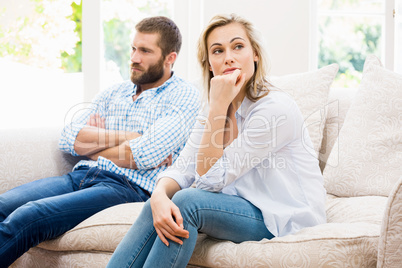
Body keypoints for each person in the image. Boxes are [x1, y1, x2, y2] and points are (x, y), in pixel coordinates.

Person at [106, 14, 326, 268]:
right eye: (218, 51)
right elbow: (183, 167)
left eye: (238, 46)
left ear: (255, 54)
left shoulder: (275, 110)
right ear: (210, 64)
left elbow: (209, 180)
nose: (229, 57)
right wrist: (157, 195)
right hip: (241, 205)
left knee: (188, 202)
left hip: (283, 216)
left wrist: (219, 105)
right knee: (159, 206)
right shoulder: (212, 109)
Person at [0, 16, 200, 267]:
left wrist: (93, 146)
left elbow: (144, 155)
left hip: (126, 188)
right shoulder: (113, 93)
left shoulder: (184, 96)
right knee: (2, 204)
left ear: (170, 58)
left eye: (145, 51)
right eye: (133, 48)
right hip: (81, 176)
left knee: (29, 217)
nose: (134, 58)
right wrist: (131, 137)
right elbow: (68, 138)